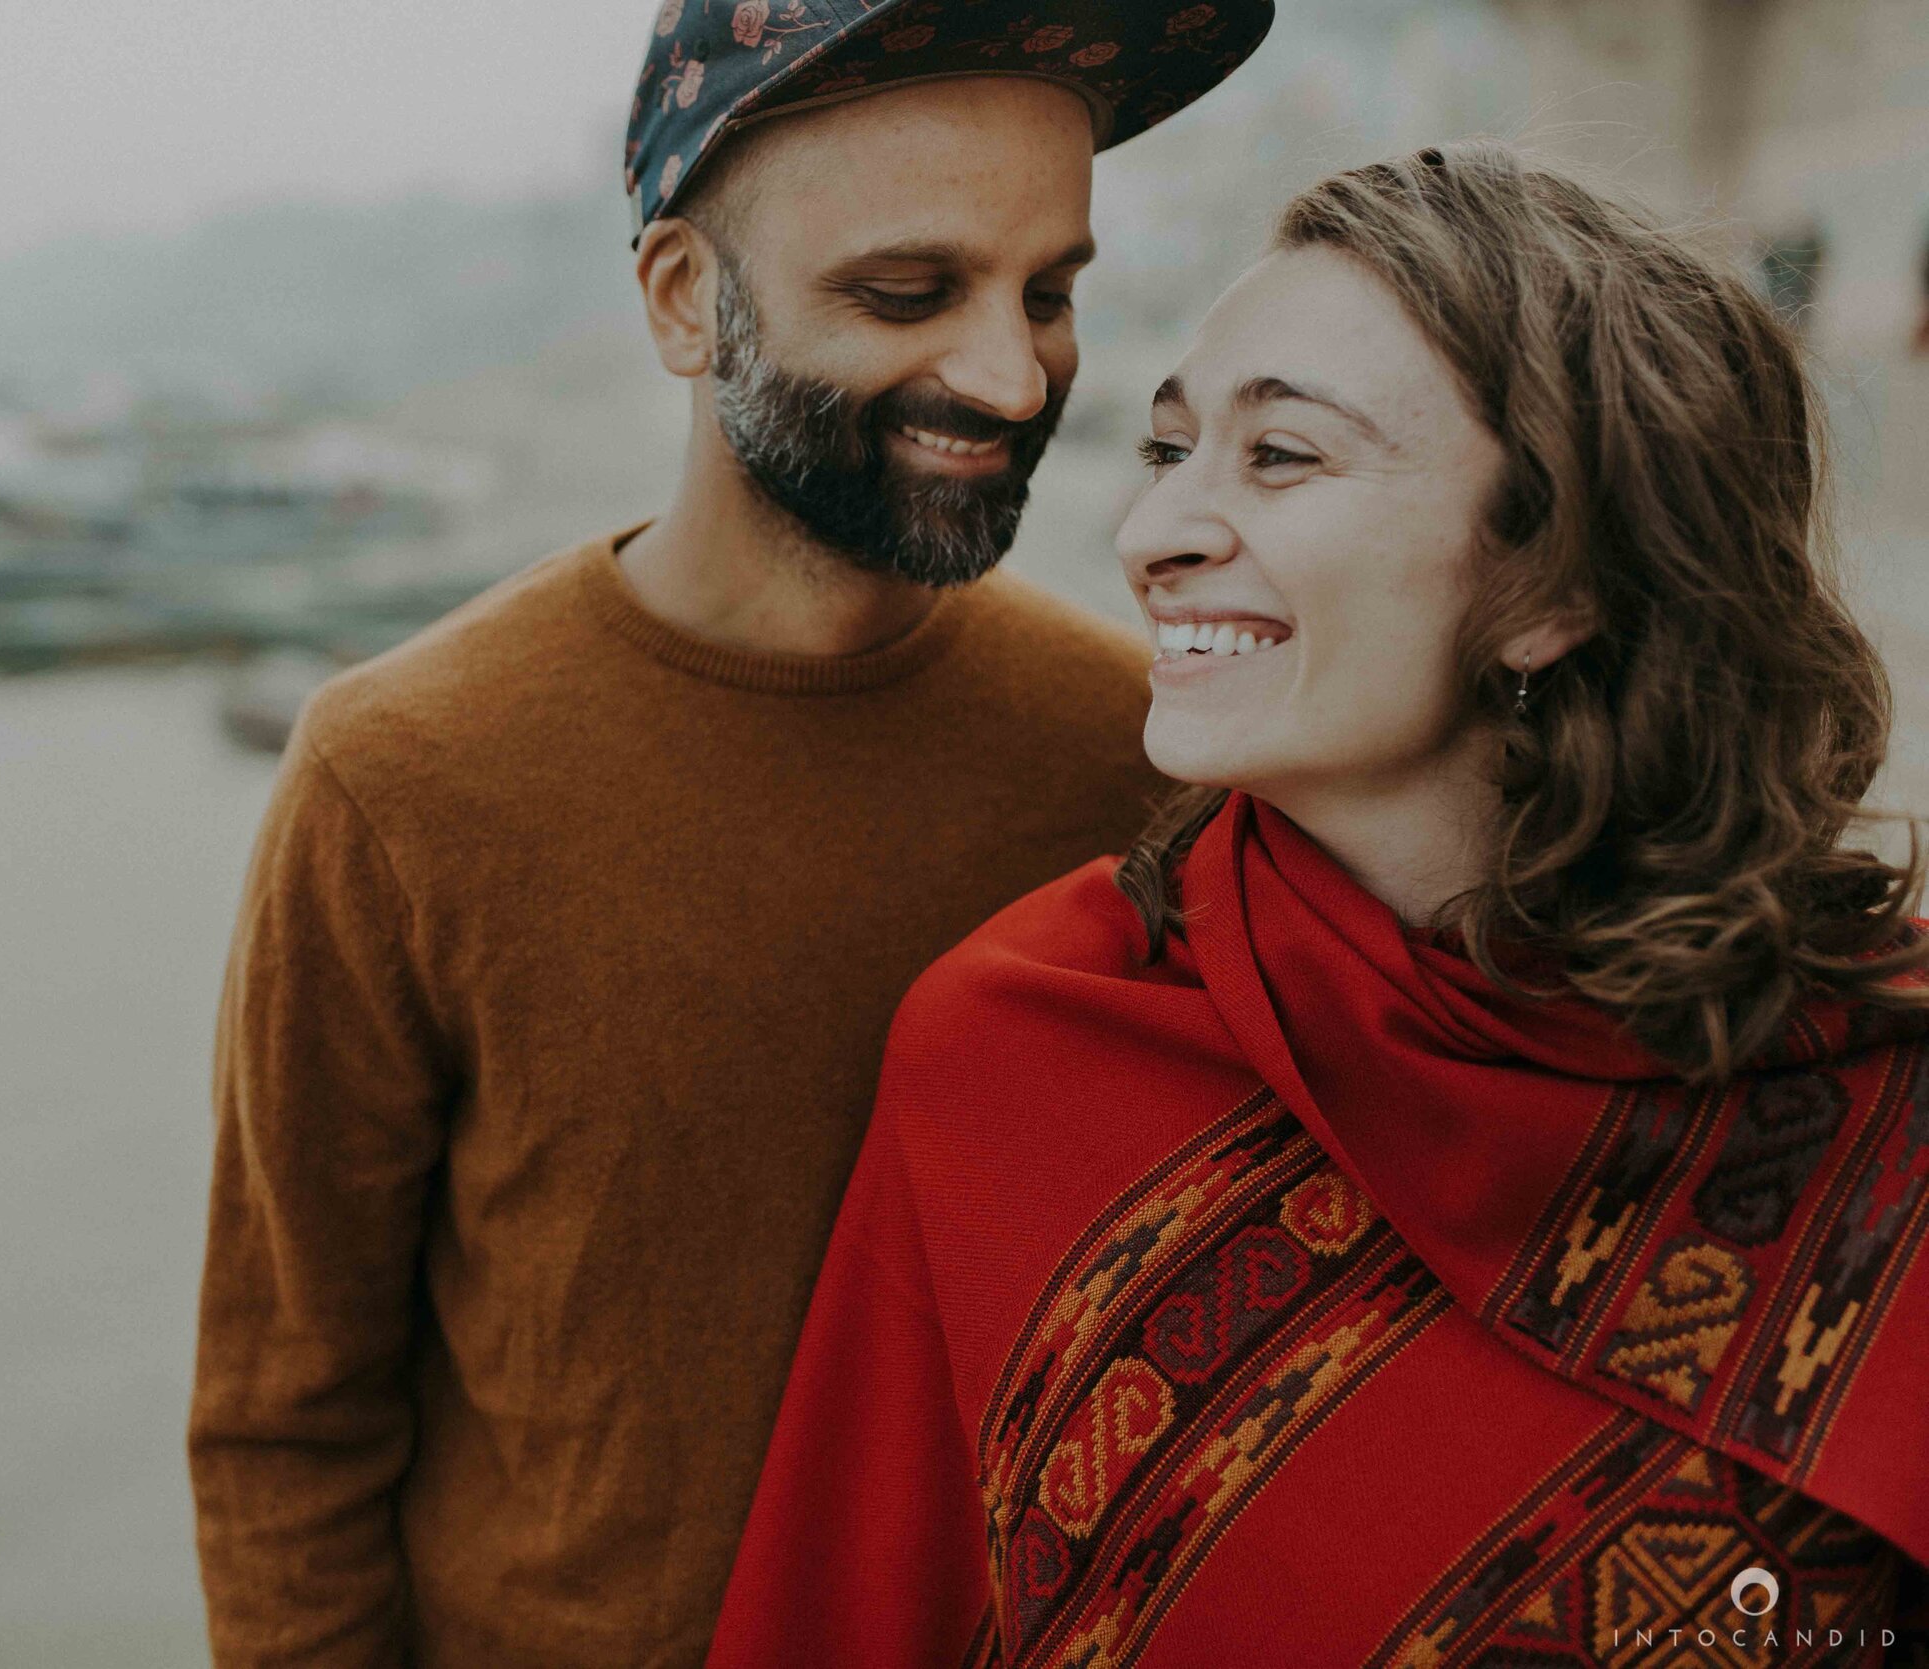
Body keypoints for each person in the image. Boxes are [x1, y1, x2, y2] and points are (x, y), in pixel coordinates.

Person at [710, 141, 1929, 1667]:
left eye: (1281, 457)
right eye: (1169, 453)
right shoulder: (1025, 1046)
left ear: (1557, 579)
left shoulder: (1884, 1107)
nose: (1153, 538)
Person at [187, 4, 1274, 1665]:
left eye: (1049, 291)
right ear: (686, 299)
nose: (1009, 374)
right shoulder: (397, 781)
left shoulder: (1151, 762)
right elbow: (287, 1431)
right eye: (907, 293)